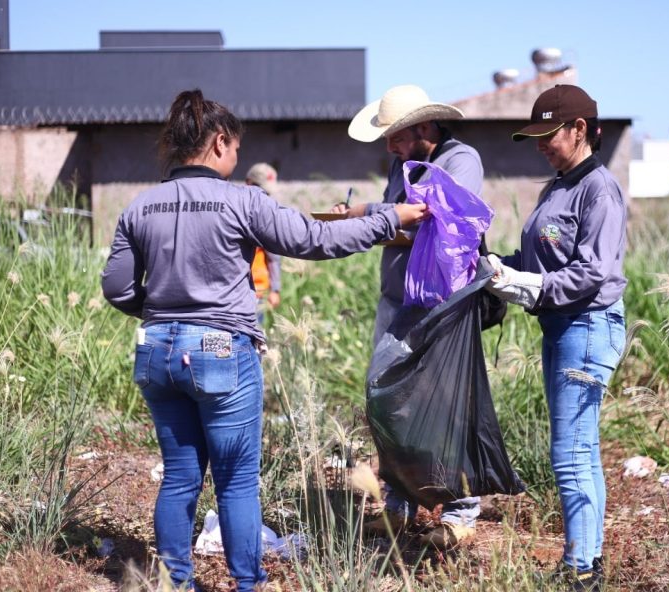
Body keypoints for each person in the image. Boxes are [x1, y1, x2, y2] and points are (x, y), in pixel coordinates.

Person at [100, 89, 427, 592]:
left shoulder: (139, 208)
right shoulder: (244, 201)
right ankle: (247, 584)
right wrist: (391, 217)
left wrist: (169, 313)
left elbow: (117, 287)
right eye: (235, 150)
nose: (237, 159)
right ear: (219, 143)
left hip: (158, 351)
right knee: (234, 481)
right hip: (220, 352)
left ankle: (174, 583)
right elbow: (315, 241)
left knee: (180, 477)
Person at [485, 84, 627, 591]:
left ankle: (580, 570)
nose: (541, 144)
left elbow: (591, 271)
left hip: (587, 325)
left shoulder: (598, 189)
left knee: (569, 454)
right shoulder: (558, 186)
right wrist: (503, 267)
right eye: (536, 136)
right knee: (581, 449)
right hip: (562, 325)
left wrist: (529, 285)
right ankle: (588, 559)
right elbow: (543, 262)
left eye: (550, 134)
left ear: (580, 130)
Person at [331, 84, 484, 548]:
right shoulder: (401, 164)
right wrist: (373, 213)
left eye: (395, 137)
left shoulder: (461, 159)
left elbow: (442, 218)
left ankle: (460, 508)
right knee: (388, 400)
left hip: (442, 304)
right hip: (397, 299)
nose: (390, 147)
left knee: (446, 403)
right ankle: (398, 503)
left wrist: (376, 215)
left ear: (423, 127)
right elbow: (399, 212)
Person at [245, 162, 282, 323]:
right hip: (230, 294)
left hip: (257, 292)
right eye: (261, 191)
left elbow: (274, 257)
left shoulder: (266, 217)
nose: (264, 197)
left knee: (254, 343)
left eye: (267, 193)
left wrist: (275, 289)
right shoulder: (233, 211)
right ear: (248, 183)